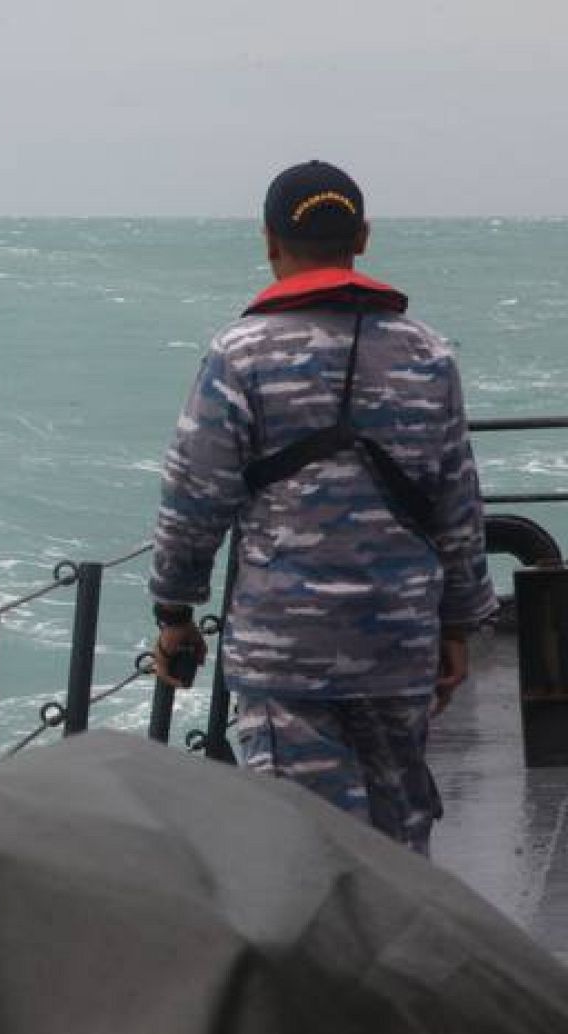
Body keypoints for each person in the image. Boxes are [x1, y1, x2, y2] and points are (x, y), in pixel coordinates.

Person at [148, 160, 497, 855]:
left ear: (270, 241)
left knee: (305, 846)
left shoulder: (240, 354)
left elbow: (195, 496)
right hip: (398, 640)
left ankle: (329, 965)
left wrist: (175, 613)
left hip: (285, 652)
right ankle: (407, 955)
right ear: (362, 237)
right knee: (400, 835)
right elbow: (457, 502)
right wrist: (458, 621)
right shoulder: (427, 353)